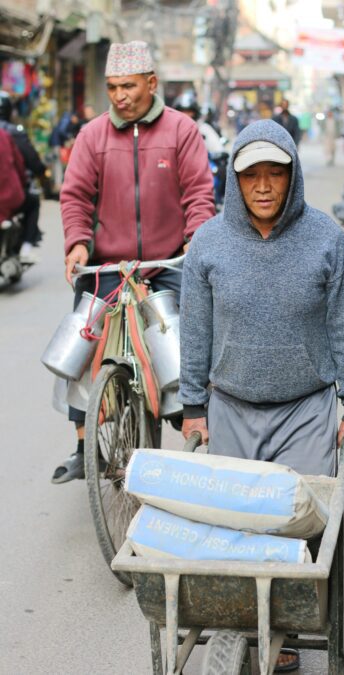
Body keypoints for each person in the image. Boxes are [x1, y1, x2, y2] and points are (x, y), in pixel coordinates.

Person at [179, 120, 344, 669]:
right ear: (235, 181)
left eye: (275, 174)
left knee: (298, 527)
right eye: (251, 175)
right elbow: (196, 331)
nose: (263, 186)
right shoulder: (210, 243)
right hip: (231, 404)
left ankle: (280, 628)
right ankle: (244, 626)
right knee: (235, 528)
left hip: (306, 409)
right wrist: (194, 406)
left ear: (293, 177)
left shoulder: (327, 239)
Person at [51, 40, 215, 484]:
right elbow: (76, 196)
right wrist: (78, 243)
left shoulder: (181, 131)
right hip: (109, 267)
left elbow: (200, 194)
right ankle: (86, 444)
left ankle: (192, 429)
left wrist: (197, 239)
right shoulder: (92, 136)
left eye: (128, 86)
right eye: (112, 87)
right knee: (81, 340)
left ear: (151, 83)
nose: (120, 95)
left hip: (167, 264)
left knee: (182, 341)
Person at [0, 90, 48, 262]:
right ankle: (26, 249)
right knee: (33, 202)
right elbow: (24, 164)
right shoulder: (9, 134)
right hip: (7, 198)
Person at [0, 127, 26, 224]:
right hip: (9, 196)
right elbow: (19, 163)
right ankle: (28, 239)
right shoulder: (4, 134)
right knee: (34, 202)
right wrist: (24, 180)